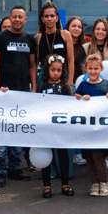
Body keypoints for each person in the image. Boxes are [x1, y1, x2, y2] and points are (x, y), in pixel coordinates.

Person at [0, 6, 37, 184]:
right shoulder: (0, 38)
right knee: (2, 132)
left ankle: (15, 168)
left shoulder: (30, 40)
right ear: (10, 18)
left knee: (17, 132)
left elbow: (32, 66)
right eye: (14, 16)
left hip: (22, 92)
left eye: (20, 17)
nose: (17, 19)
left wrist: (33, 88)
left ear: (25, 20)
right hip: (3, 93)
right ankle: (0, 170)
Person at [75, 54, 108, 196]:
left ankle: (104, 183)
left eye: (96, 68)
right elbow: (75, 97)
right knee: (89, 156)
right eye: (90, 68)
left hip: (101, 129)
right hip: (87, 128)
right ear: (85, 69)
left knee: (99, 155)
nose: (93, 71)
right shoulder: (84, 85)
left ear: (101, 68)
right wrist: (80, 97)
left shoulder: (106, 84)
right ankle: (94, 183)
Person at [38, 54, 74, 198]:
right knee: (46, 156)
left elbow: (70, 106)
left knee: (63, 156)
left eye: (59, 70)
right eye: (53, 70)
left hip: (61, 129)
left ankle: (65, 185)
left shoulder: (65, 87)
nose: (56, 73)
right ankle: (46, 186)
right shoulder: (42, 87)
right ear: (48, 70)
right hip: (46, 128)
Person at [36, 0, 74, 86]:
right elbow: (34, 64)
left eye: (52, 16)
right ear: (42, 19)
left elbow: (70, 60)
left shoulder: (65, 35)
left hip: (62, 76)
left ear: (56, 18)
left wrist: (70, 82)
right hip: (43, 78)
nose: (49, 19)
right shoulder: (37, 38)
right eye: (46, 16)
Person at [65, 15, 86, 82]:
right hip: (64, 82)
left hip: (81, 83)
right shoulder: (62, 44)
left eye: (79, 27)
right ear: (68, 27)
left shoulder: (86, 45)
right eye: (73, 26)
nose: (76, 29)